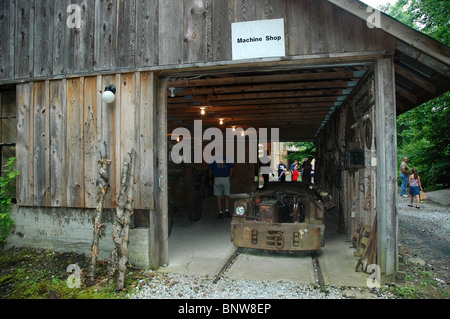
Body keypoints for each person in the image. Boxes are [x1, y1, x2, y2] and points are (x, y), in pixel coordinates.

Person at [209, 154, 234, 219]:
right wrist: (229, 178)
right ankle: (227, 211)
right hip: (225, 178)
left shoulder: (213, 160)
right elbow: (231, 170)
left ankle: (220, 213)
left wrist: (210, 180)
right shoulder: (227, 159)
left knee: (218, 197)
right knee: (227, 196)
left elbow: (210, 171)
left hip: (217, 179)